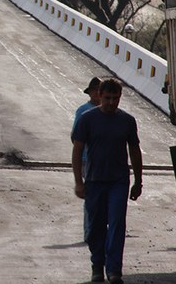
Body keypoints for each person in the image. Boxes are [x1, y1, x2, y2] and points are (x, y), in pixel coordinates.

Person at [71, 78, 143, 284]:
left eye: (115, 98)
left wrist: (138, 181)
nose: (111, 102)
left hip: (118, 181)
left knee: (117, 222)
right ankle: (97, 264)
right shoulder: (87, 119)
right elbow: (77, 150)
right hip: (94, 181)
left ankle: (114, 270)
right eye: (108, 98)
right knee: (96, 226)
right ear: (99, 96)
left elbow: (135, 150)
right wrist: (78, 182)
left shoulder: (127, 121)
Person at [72, 76, 102, 243]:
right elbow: (75, 137)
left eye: (99, 90)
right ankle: (89, 232)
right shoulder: (83, 111)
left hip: (102, 160)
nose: (97, 93)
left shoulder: (107, 111)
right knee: (91, 196)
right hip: (87, 160)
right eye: (94, 90)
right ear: (90, 93)